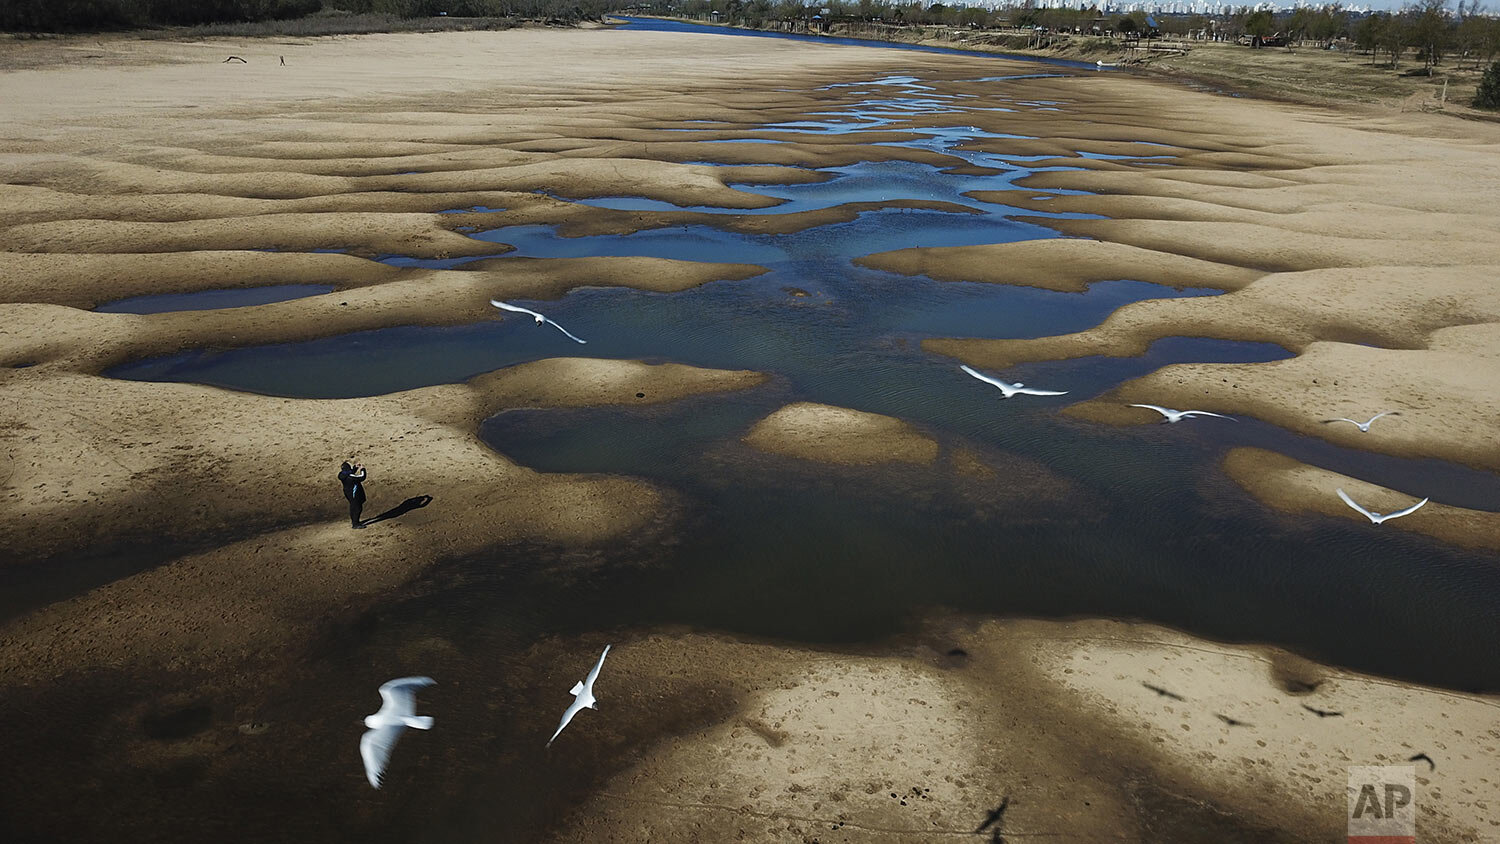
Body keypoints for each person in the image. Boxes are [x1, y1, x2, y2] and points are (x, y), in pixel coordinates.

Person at [339, 461, 367, 528]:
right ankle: (355, 524)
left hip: (348, 493)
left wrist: (355, 468)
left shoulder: (342, 475)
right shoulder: (351, 477)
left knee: (353, 506)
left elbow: (350, 473)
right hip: (354, 494)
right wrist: (363, 469)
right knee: (357, 508)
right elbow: (362, 477)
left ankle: (354, 521)